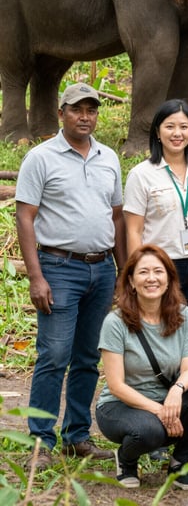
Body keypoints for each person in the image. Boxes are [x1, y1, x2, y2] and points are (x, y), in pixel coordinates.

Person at [16, 83, 126, 466]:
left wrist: (122, 271)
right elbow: (25, 217)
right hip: (59, 268)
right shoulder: (41, 158)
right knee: (54, 354)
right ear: (61, 112)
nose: (84, 116)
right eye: (77, 109)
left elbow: (115, 216)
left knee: (86, 356)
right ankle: (40, 442)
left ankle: (76, 435)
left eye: (91, 110)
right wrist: (35, 276)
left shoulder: (109, 157)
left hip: (102, 269)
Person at [96, 245, 188, 490]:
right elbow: (116, 385)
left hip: (166, 398)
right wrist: (160, 411)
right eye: (143, 272)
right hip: (121, 406)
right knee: (149, 431)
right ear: (130, 281)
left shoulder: (184, 315)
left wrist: (177, 390)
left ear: (169, 279)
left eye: (158, 272)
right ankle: (127, 460)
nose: (151, 278)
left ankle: (179, 464)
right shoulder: (115, 322)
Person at [124, 99, 188, 356]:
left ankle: (186, 393)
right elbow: (133, 230)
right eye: (170, 126)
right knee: (161, 340)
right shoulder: (142, 174)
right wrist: (136, 272)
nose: (177, 133)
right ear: (157, 131)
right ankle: (157, 395)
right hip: (161, 268)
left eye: (184, 127)